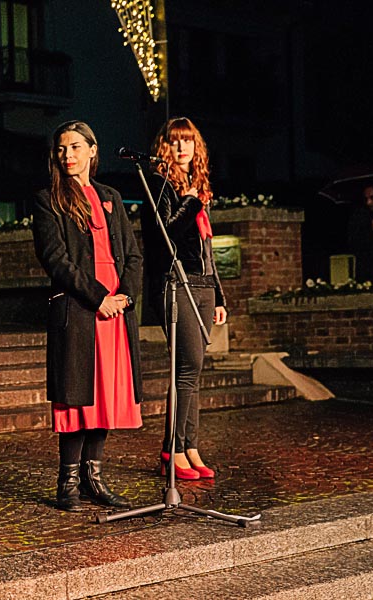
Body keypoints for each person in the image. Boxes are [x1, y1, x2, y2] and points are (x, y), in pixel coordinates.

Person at [31, 120, 143, 512]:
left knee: (107, 395)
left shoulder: (111, 195)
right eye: (62, 149)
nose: (68, 155)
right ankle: (69, 482)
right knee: (77, 396)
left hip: (116, 308)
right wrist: (99, 298)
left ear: (93, 150)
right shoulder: (49, 199)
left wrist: (125, 295)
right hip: (80, 307)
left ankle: (95, 477)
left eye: (76, 147)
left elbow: (132, 254)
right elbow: (56, 260)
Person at [140, 117, 226, 481]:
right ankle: (171, 450)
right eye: (175, 142)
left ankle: (190, 445)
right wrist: (190, 201)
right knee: (186, 369)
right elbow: (164, 234)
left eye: (188, 141)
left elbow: (206, 247)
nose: (182, 148)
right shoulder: (160, 183)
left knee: (195, 371)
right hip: (176, 283)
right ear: (165, 146)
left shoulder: (197, 186)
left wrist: (220, 295)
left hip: (203, 284)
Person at [347, 185, 373, 282]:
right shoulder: (359, 216)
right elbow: (354, 241)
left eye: (372, 197)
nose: (368, 202)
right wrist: (371, 230)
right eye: (366, 198)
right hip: (366, 267)